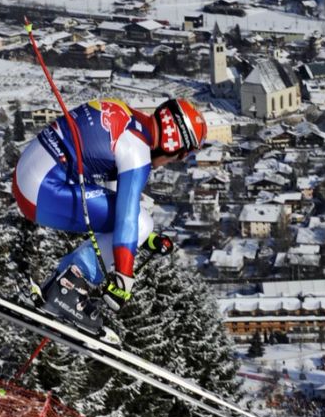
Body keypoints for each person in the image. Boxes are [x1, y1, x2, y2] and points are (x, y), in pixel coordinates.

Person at [12, 98, 206, 335]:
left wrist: (143, 238)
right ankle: (68, 287)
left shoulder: (131, 121)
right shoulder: (138, 150)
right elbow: (126, 217)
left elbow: (115, 203)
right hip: (41, 191)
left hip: (30, 180)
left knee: (140, 224)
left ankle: (61, 287)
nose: (167, 164)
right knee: (141, 221)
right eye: (177, 158)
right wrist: (124, 277)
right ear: (172, 144)